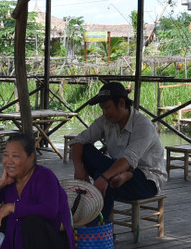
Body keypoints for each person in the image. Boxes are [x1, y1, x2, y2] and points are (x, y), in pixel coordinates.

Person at [70, 80, 167, 210]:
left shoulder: (143, 125)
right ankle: (119, 176)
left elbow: (129, 158)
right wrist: (79, 168)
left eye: (107, 107)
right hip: (117, 171)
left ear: (121, 103)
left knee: (109, 183)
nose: (104, 112)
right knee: (86, 150)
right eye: (102, 108)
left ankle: (99, 226)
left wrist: (104, 177)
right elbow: (78, 141)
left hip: (146, 179)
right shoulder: (106, 121)